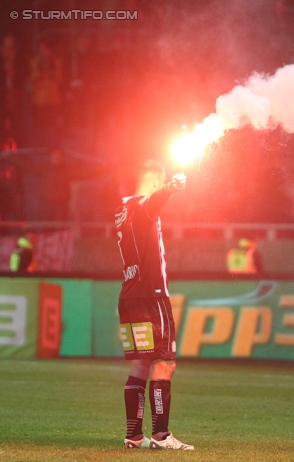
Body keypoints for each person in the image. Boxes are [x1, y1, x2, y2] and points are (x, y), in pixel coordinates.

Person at [115, 159, 193, 450]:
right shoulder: (143, 206)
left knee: (139, 365)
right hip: (152, 297)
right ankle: (161, 436)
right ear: (156, 182)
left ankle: (134, 436)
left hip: (129, 296)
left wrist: (166, 190)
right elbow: (152, 205)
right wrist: (171, 189)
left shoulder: (122, 209)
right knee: (164, 363)